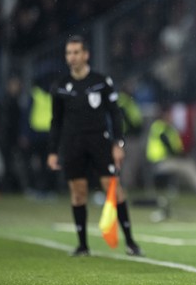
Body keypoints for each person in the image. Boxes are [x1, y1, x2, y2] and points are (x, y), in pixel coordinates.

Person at [47, 35, 142, 257]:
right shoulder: (60, 87)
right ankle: (82, 245)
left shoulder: (101, 82)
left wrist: (118, 143)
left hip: (100, 141)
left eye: (76, 52)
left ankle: (130, 241)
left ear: (86, 54)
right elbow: (56, 122)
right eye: (69, 53)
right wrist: (53, 151)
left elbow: (115, 114)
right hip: (73, 144)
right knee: (78, 193)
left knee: (114, 189)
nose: (72, 57)